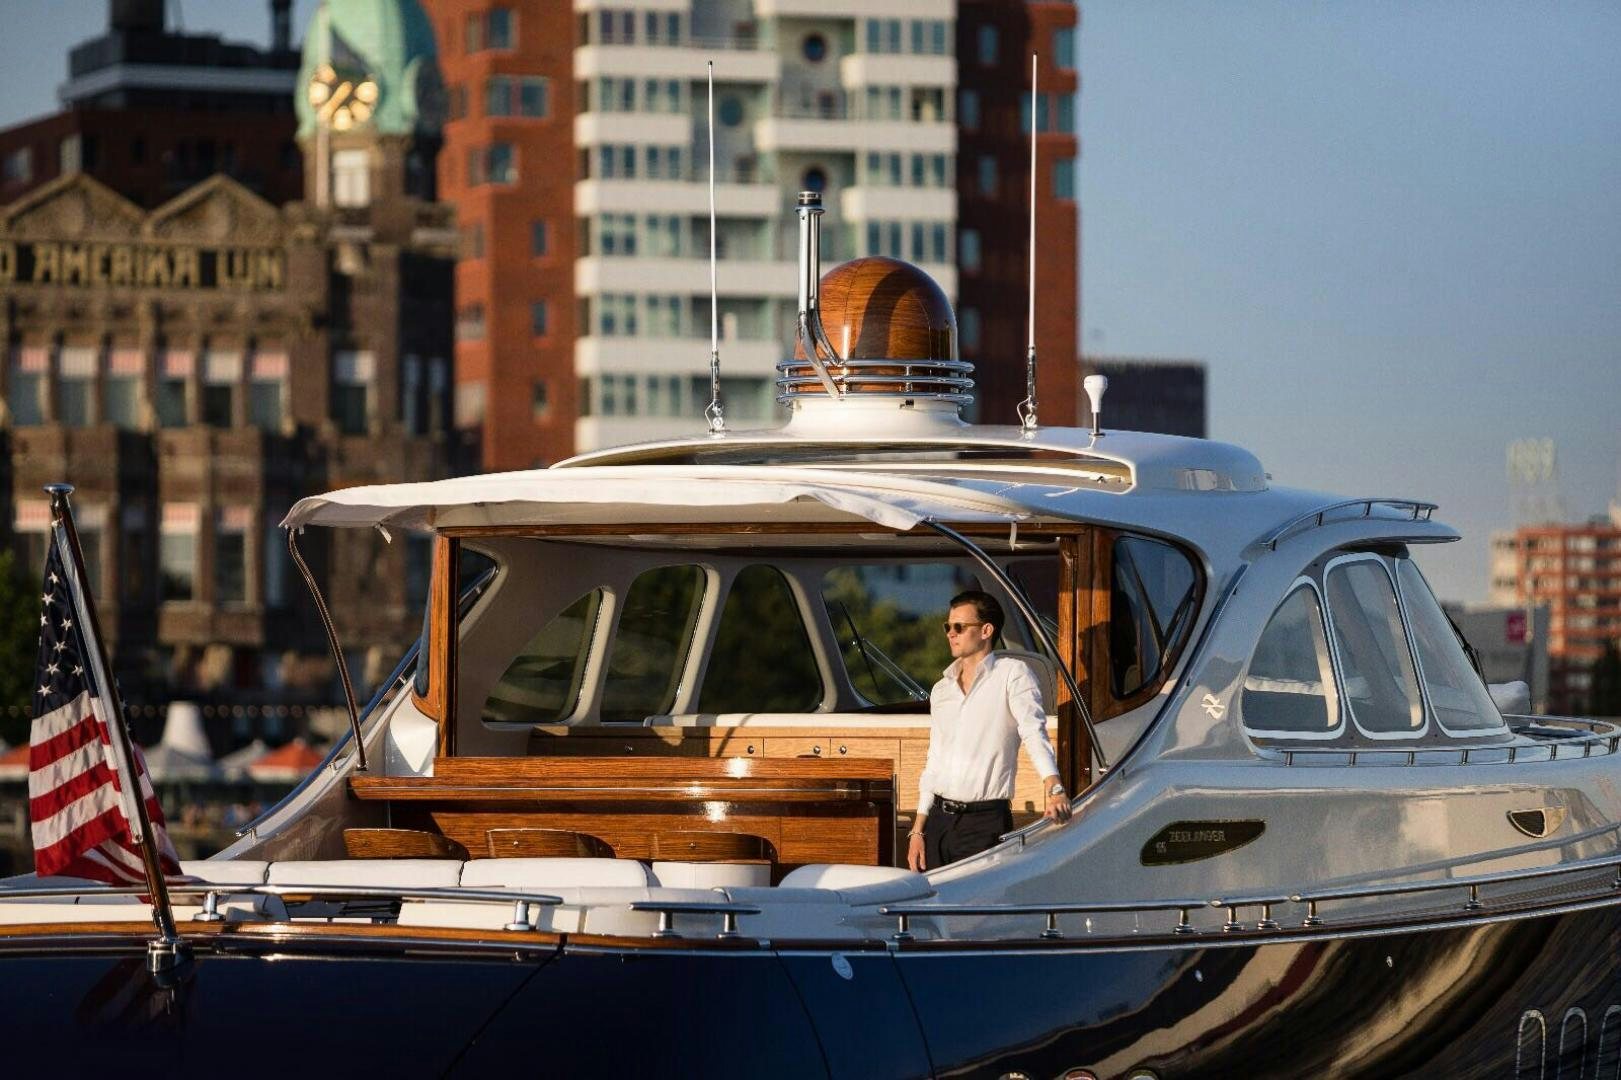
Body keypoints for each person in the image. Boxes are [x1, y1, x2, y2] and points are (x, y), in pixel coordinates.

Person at [907, 589, 1072, 872]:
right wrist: (918, 830)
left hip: (983, 822)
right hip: (938, 823)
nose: (950, 633)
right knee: (934, 913)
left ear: (986, 630)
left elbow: (1033, 732)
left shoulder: (1012, 674)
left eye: (959, 626)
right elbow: (934, 760)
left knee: (976, 913)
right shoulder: (941, 689)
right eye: (948, 626)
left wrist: (1054, 788)